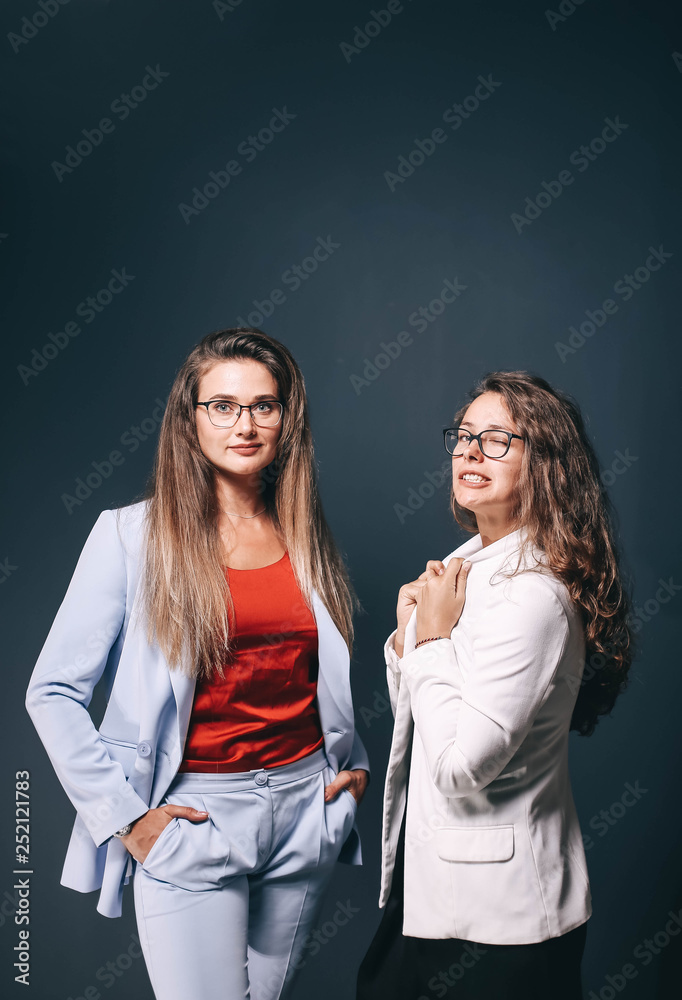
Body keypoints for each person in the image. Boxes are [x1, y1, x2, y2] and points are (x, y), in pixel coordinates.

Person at [26, 327, 369, 1000]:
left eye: (264, 406)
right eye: (223, 405)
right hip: (195, 818)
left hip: (307, 810)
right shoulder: (130, 537)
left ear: (286, 418)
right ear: (191, 418)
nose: (245, 424)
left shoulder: (303, 532)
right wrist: (127, 819)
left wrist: (352, 770)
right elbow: (54, 691)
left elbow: (309, 676)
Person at [357, 371, 633, 1000]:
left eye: (498, 440)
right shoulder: (465, 571)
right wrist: (411, 640)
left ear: (548, 466)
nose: (469, 450)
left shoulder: (531, 594)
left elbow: (459, 767)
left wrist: (430, 638)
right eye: (462, 435)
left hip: (497, 924)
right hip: (436, 895)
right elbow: (431, 725)